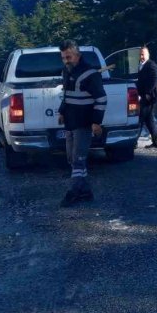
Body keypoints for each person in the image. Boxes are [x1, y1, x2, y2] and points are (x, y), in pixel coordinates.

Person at [57, 40, 106, 207]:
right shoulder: (67, 71)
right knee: (71, 158)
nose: (66, 61)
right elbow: (66, 95)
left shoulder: (90, 74)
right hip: (70, 121)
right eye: (63, 57)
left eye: (68, 57)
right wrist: (61, 111)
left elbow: (101, 99)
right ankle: (85, 190)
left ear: (77, 54)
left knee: (78, 158)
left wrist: (96, 122)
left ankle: (74, 192)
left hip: (84, 122)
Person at [136, 46, 157, 148]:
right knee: (149, 120)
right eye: (140, 54)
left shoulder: (151, 65)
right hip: (144, 96)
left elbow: (155, 80)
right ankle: (156, 142)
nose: (141, 56)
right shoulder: (142, 65)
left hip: (148, 97)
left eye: (143, 54)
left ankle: (133, 142)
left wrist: (147, 93)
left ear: (148, 55)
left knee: (140, 119)